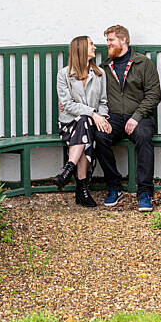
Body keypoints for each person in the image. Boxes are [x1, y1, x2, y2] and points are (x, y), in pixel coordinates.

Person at [95, 24, 161, 212]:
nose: (107, 44)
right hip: (115, 117)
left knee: (143, 136)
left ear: (123, 40)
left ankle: (145, 192)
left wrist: (137, 116)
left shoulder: (143, 63)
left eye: (111, 40)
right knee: (100, 136)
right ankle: (114, 186)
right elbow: (91, 90)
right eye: (107, 40)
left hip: (140, 116)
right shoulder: (105, 67)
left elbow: (154, 94)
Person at [55, 35, 112, 207]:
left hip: (90, 125)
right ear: (80, 49)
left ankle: (69, 168)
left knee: (85, 124)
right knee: (84, 122)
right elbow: (67, 105)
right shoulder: (64, 74)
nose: (95, 47)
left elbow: (103, 102)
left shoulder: (99, 74)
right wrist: (93, 114)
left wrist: (102, 118)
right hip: (68, 124)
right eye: (91, 45)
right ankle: (82, 189)